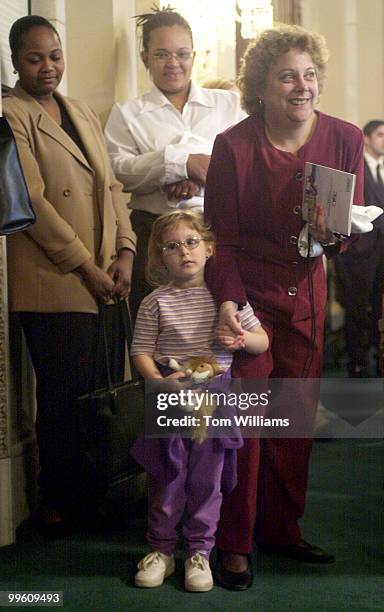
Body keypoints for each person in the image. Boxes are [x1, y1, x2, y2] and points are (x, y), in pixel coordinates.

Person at [204, 24, 365, 590]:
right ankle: (234, 542)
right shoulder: (234, 145)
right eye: (287, 76)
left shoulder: (346, 137)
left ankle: (281, 530)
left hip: (307, 297)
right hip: (247, 301)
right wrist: (228, 302)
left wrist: (335, 234)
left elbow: (352, 227)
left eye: (310, 74)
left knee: (293, 421)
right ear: (262, 87)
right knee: (247, 423)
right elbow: (218, 238)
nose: (302, 86)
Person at [3, 16, 136, 534]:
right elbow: (31, 201)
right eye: (34, 58)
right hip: (54, 280)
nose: (48, 66)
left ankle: (101, 494)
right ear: (15, 60)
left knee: (105, 394)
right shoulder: (9, 113)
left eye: (55, 55)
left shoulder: (80, 109)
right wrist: (85, 265)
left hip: (105, 273)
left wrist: (125, 252)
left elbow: (111, 187)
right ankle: (58, 501)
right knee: (64, 399)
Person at [130, 210, 268, 592]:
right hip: (170, 398)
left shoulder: (228, 300)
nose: (184, 252)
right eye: (172, 247)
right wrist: (158, 382)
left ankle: (199, 554)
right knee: (166, 477)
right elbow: (140, 351)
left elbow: (262, 341)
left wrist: (242, 340)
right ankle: (160, 551)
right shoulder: (155, 302)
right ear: (160, 258)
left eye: (191, 243)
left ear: (209, 248)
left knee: (207, 480)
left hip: (214, 397)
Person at [104, 6, 244, 322]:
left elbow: (248, 162)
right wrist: (182, 163)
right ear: (145, 58)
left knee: (216, 330)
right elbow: (117, 169)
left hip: (214, 233)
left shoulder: (227, 104)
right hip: (152, 234)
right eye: (162, 54)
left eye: (182, 54)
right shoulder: (127, 113)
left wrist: (203, 175)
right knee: (157, 334)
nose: (173, 63)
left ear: (194, 55)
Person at [337, 120, 384, 377]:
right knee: (357, 306)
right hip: (360, 250)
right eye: (381, 135)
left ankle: (381, 355)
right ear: (368, 139)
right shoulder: (355, 169)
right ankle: (357, 360)